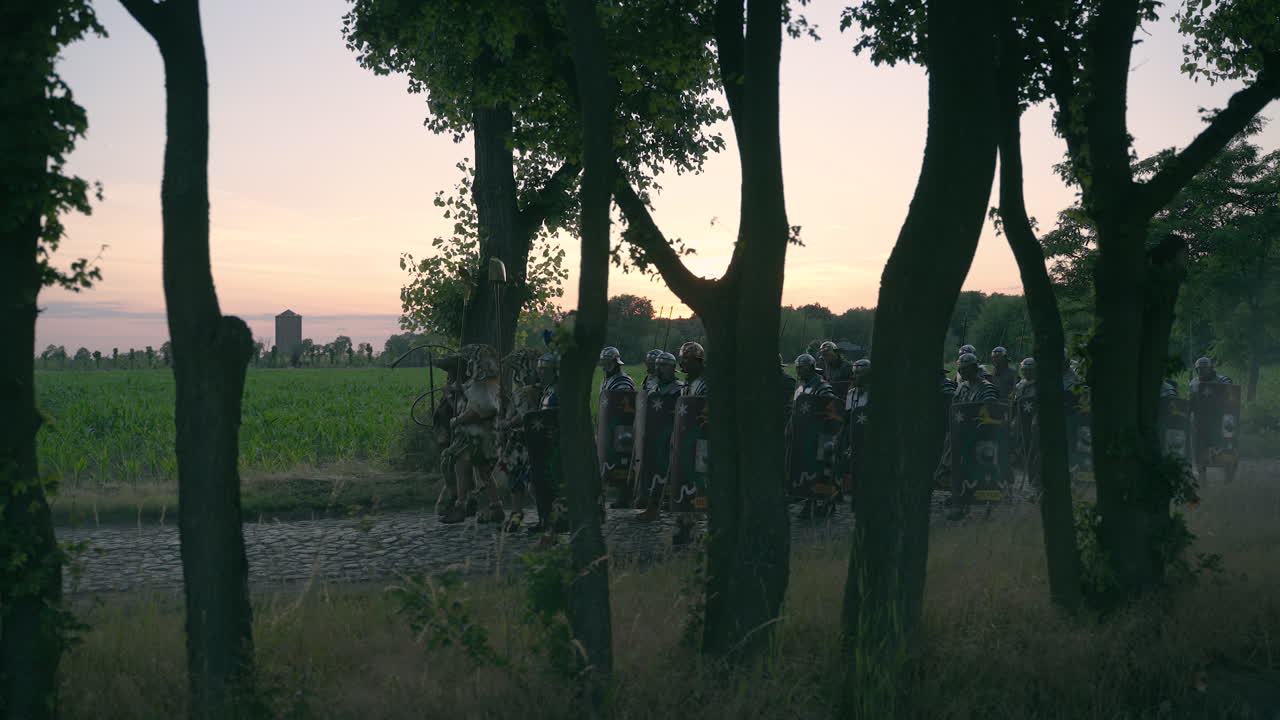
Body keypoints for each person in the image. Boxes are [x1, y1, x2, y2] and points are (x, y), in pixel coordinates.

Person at [440, 345, 503, 524]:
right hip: (475, 437)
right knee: (482, 473)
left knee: (462, 469)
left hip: (475, 438)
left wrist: (457, 421)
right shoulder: (478, 386)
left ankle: (461, 506)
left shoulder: (481, 386)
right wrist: (453, 396)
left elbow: (480, 410)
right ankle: (494, 507)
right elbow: (466, 404)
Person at [937, 353, 999, 519]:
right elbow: (955, 408)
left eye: (965, 369)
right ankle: (958, 494)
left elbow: (991, 412)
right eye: (960, 369)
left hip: (980, 436)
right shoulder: (962, 387)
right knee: (953, 456)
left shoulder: (986, 388)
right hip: (961, 434)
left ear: (974, 368)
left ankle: (966, 500)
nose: (961, 372)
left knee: (967, 461)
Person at [494, 350, 542, 532]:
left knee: (531, 482)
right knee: (515, 480)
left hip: (526, 441)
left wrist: (505, 424)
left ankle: (544, 516)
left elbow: (523, 416)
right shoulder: (524, 391)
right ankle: (516, 514)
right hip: (519, 442)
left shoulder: (527, 392)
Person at [637, 352, 684, 520]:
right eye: (658, 365)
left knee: (665, 469)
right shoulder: (653, 387)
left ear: (672, 368)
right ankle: (651, 503)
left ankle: (657, 505)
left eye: (663, 365)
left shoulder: (679, 389)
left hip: (669, 435)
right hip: (652, 434)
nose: (659, 369)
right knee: (651, 469)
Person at [1010, 357, 1039, 491]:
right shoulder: (1020, 384)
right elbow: (1015, 404)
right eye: (1024, 370)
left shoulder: (1040, 385)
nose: (1027, 372)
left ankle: (1035, 479)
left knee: (1034, 451)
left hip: (1034, 422)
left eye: (1029, 370)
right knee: (1023, 449)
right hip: (1021, 423)